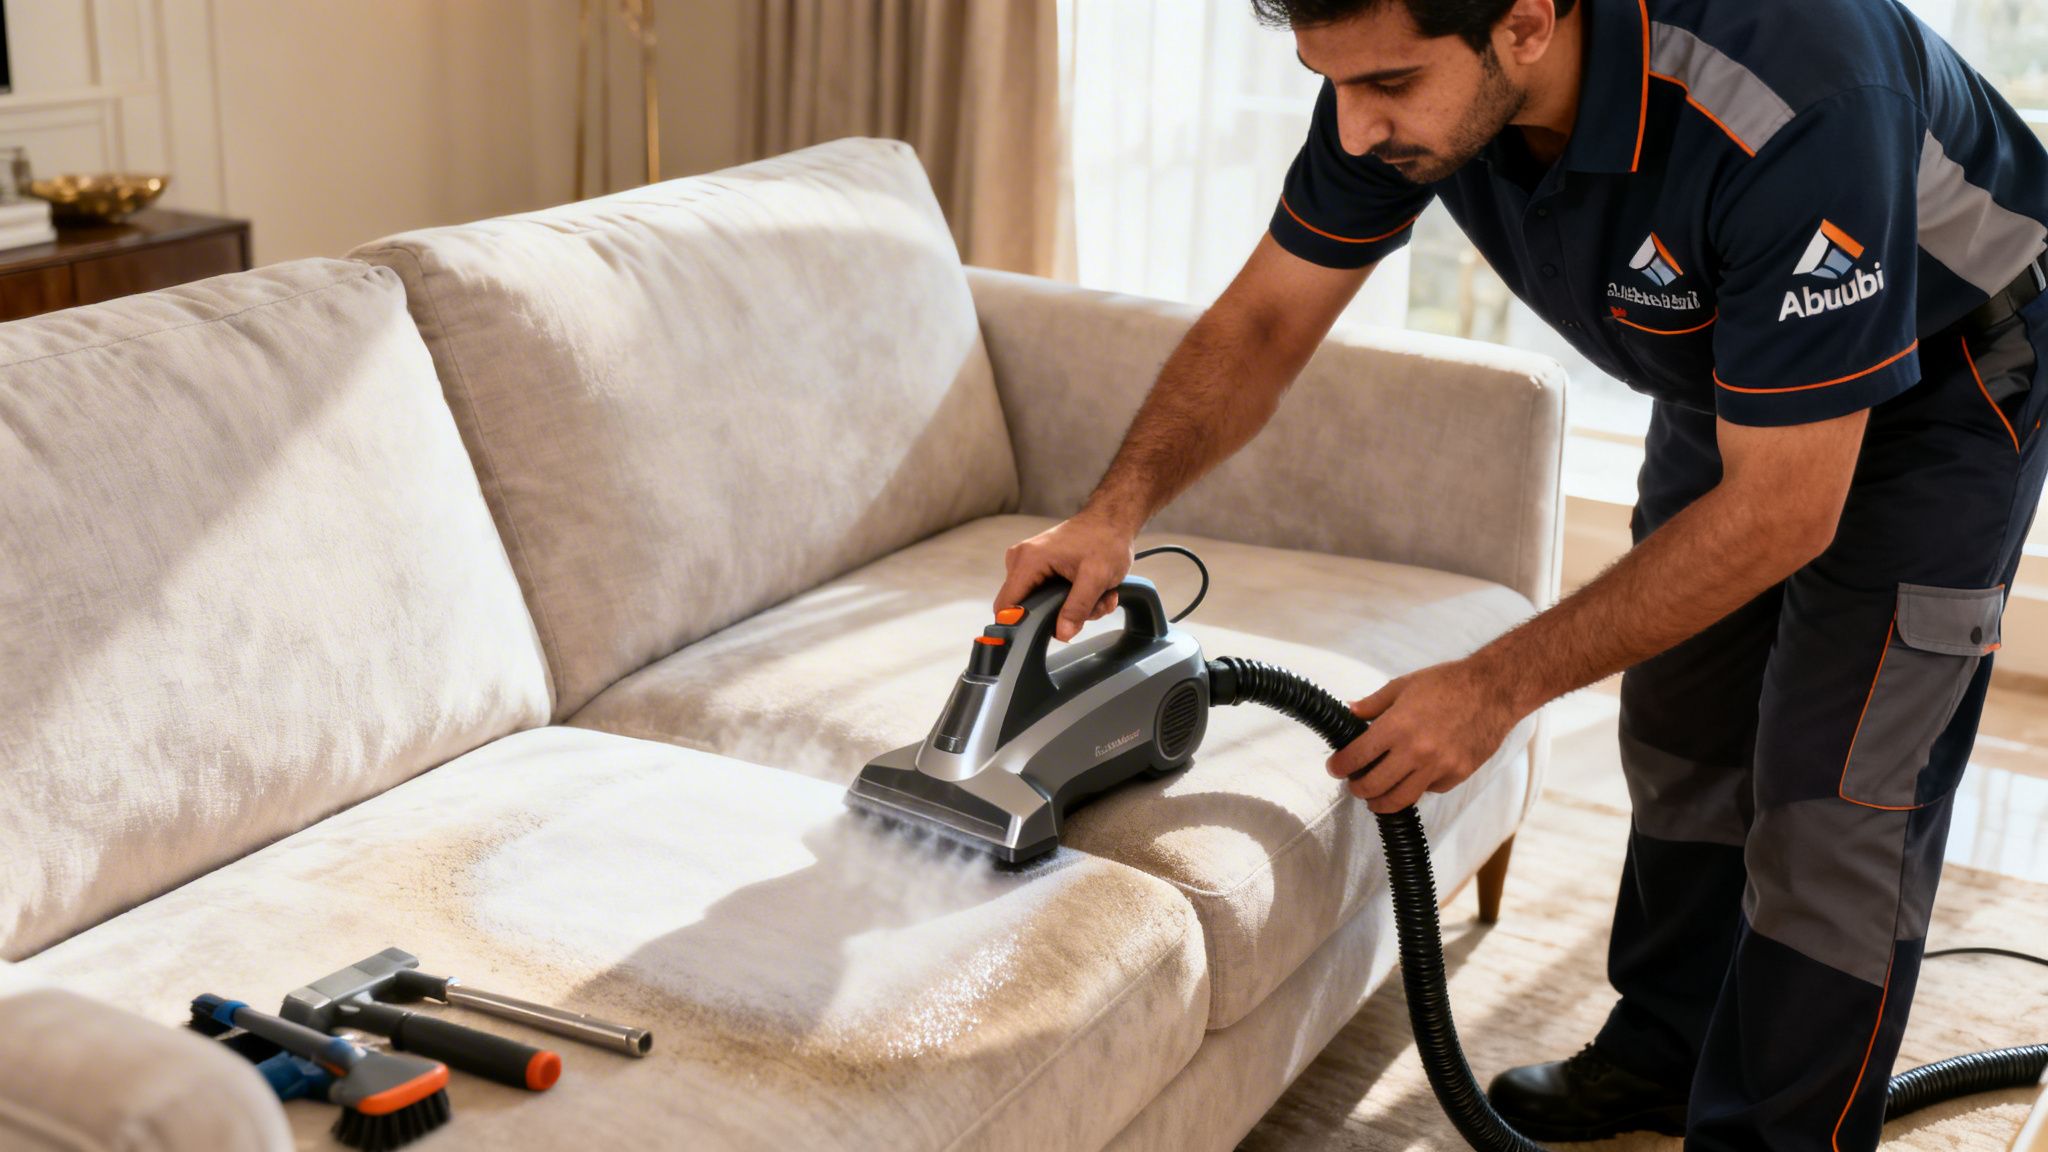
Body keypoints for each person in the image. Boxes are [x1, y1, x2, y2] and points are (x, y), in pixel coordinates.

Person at [992, 0, 2048, 1147]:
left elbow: (1783, 509)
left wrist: (1493, 685)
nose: (1351, 128)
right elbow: (1261, 326)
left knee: (1833, 802)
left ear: (1528, 23)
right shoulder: (1404, 75)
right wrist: (1111, 513)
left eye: (1386, 85)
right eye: (1329, 81)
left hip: (1950, 374)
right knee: (1681, 723)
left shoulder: (1796, 94)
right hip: (1729, 357)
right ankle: (1665, 1049)